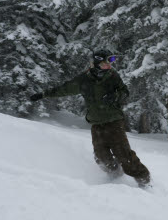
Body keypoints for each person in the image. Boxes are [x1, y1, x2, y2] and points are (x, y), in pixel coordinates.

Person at [31, 49, 151, 187]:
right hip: (96, 123)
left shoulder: (112, 76)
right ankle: (115, 177)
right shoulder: (84, 80)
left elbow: (124, 92)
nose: (111, 65)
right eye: (108, 61)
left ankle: (144, 180)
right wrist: (43, 94)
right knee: (101, 157)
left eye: (112, 61)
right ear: (98, 62)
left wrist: (116, 96)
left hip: (114, 122)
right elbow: (64, 89)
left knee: (124, 155)